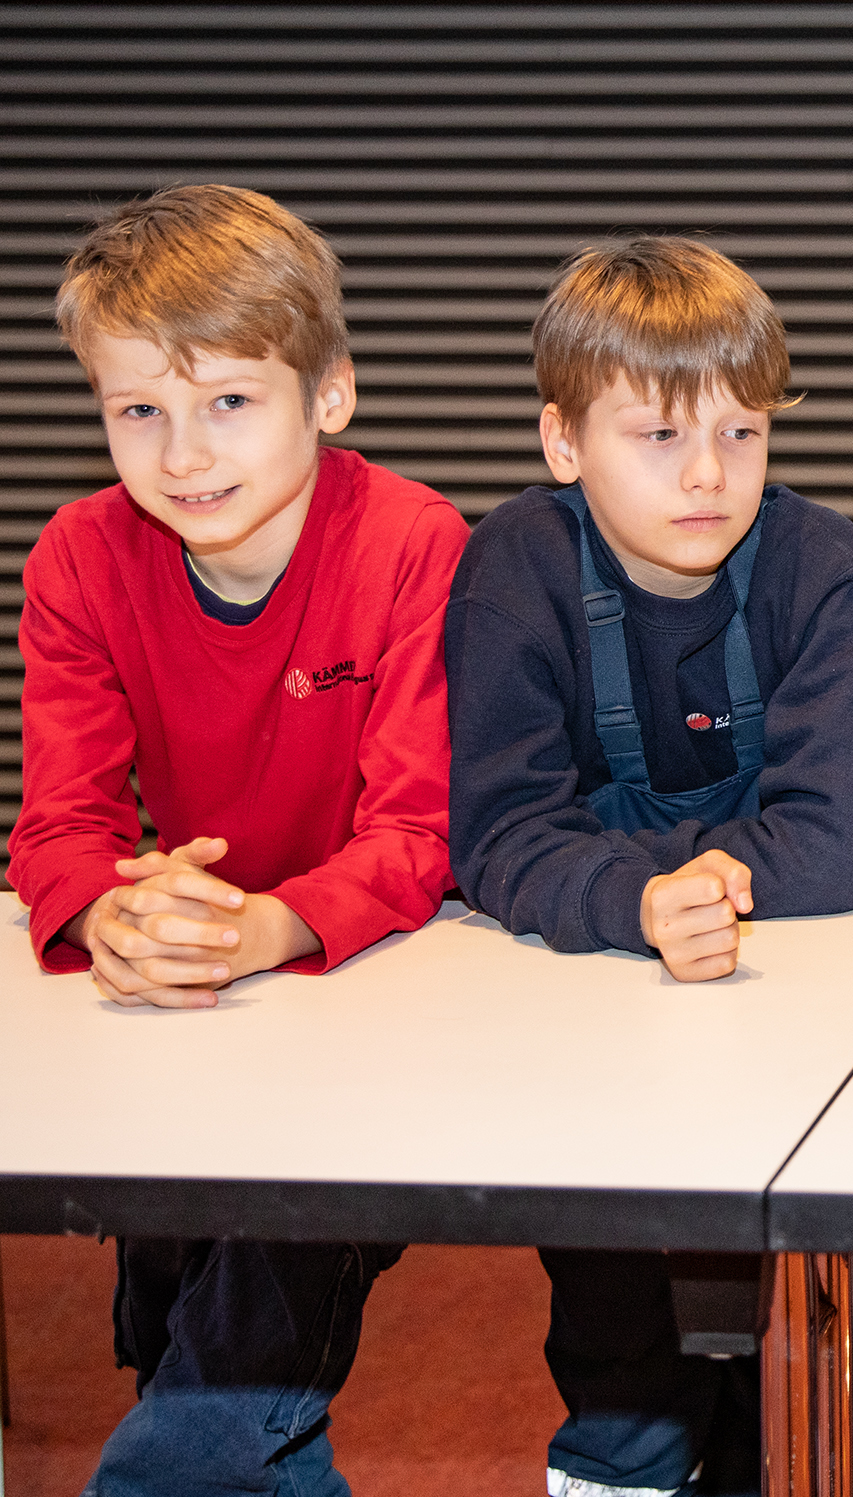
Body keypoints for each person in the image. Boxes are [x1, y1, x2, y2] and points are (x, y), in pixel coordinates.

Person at [14, 183, 464, 1495]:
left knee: (202, 1417)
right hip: (184, 1002)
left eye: (228, 401)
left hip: (374, 990)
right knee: (191, 1354)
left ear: (330, 394)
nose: (182, 454)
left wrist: (268, 924)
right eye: (137, 411)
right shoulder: (78, 559)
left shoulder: (414, 545)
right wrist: (110, 911)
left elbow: (422, 830)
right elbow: (61, 821)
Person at [444, 237, 853, 1496]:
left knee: (796, 1333)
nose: (708, 473)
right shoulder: (512, 569)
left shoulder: (820, 566)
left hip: (784, 1013)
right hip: (580, 1019)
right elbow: (493, 836)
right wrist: (642, 903)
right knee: (615, 1323)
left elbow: (837, 847)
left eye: (741, 433)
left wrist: (625, 875)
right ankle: (623, 1452)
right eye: (657, 436)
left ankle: (810, 1453)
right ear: (563, 442)